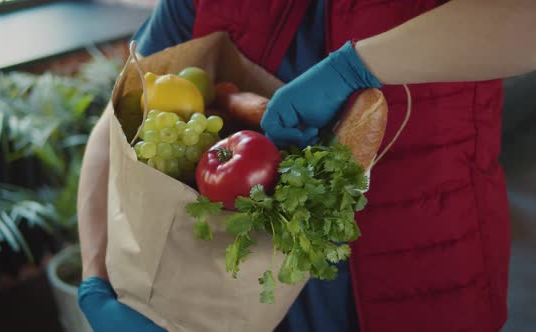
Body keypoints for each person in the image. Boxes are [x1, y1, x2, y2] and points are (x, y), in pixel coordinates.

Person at [76, 0, 536, 331]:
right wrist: (94, 276)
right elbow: (117, 120)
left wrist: (359, 66)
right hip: (240, 299)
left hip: (426, 281)